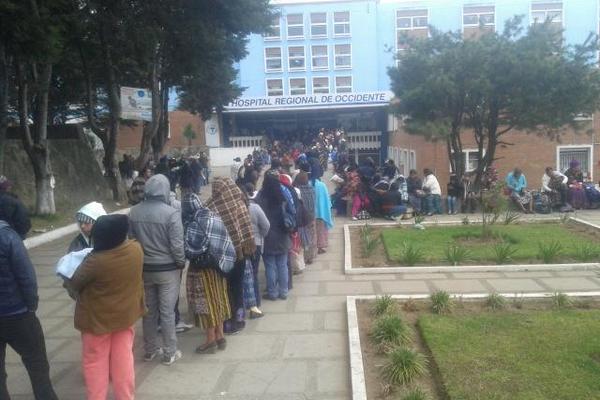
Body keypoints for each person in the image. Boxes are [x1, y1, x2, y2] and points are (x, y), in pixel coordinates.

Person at [69, 214, 144, 400]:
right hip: (125, 316)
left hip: (97, 321)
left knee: (95, 362)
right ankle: (126, 396)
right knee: (124, 359)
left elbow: (74, 285)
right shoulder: (136, 249)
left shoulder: (96, 261)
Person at [129, 174, 185, 366]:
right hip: (168, 269)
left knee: (149, 311)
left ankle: (150, 350)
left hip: (145, 269)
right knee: (167, 312)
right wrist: (181, 263)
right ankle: (169, 352)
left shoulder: (133, 212)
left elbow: (132, 241)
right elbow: (177, 246)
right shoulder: (171, 213)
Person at [0, 216, 58, 400]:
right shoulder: (7, 236)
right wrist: (31, 305)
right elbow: (26, 276)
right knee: (37, 365)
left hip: (14, 312)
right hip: (17, 313)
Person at [184, 193, 235, 354]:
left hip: (202, 270)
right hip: (218, 267)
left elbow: (189, 250)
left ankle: (210, 339)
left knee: (205, 303)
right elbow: (225, 240)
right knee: (218, 298)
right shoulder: (215, 217)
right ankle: (220, 336)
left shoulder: (193, 223)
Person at [205, 177, 256, 334]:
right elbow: (246, 227)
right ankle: (239, 319)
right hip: (240, 254)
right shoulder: (240, 203)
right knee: (237, 286)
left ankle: (226, 322)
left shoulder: (210, 207)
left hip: (220, 256)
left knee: (224, 288)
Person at [257, 171, 292, 300]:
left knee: (270, 265)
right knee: (282, 264)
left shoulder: (260, 198)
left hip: (267, 236)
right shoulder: (282, 196)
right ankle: (284, 292)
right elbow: (291, 211)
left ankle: (272, 292)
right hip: (282, 233)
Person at [243, 183, 270, 314]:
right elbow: (266, 225)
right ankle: (255, 303)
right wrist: (260, 236)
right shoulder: (254, 207)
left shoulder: (233, 208)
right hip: (255, 244)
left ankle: (244, 303)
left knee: (242, 275)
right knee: (253, 273)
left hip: (240, 245)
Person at [294, 172, 317, 265]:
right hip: (311, 216)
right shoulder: (312, 189)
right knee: (311, 236)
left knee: (302, 238)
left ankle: (302, 258)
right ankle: (310, 257)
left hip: (302, 218)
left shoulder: (298, 191)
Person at [313, 178, 333, 254]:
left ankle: (313, 248)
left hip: (311, 212)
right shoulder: (322, 185)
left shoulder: (306, 183)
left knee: (312, 231)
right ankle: (321, 247)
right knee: (321, 230)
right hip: (322, 212)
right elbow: (327, 199)